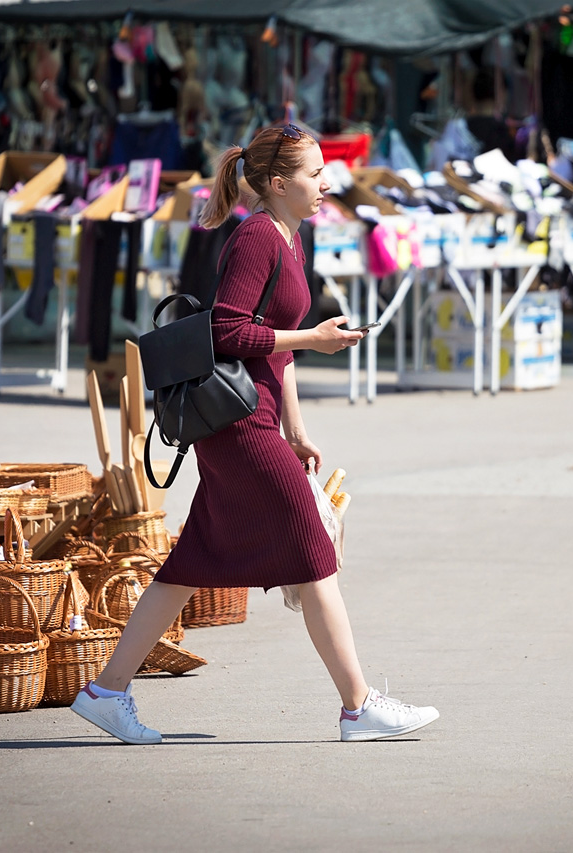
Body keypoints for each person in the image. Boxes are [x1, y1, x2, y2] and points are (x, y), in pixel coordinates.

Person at [71, 124, 440, 745]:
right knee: (314, 550)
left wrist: (296, 427)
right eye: (314, 174)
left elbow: (278, 351)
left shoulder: (292, 239)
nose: (326, 184)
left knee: (189, 563)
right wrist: (314, 338)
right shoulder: (256, 238)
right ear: (277, 183)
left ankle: (105, 692)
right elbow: (228, 331)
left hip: (258, 419)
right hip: (237, 422)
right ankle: (358, 707)